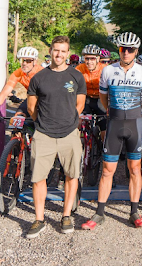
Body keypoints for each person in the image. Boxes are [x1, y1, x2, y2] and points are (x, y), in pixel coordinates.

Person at [82, 32, 142, 230]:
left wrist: (138, 115)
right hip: (114, 123)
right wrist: (113, 113)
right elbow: (103, 99)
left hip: (134, 125)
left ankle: (134, 212)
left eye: (130, 49)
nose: (126, 52)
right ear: (119, 50)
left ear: (136, 51)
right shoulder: (108, 71)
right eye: (123, 49)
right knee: (107, 170)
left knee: (135, 169)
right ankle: (99, 213)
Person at [25, 36, 86, 239]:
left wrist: (68, 122)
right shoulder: (39, 78)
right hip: (43, 134)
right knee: (38, 178)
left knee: (71, 175)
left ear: (68, 53)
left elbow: (80, 105)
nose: (59, 54)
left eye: (63, 51)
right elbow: (32, 107)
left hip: (69, 133)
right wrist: (43, 123)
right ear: (50, 51)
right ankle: (39, 219)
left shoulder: (76, 77)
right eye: (56, 50)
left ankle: (66, 215)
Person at [0, 47, 41, 122]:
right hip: (31, 98)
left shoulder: (42, 73)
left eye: (28, 61)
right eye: (22, 60)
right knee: (18, 117)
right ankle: (17, 133)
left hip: (45, 99)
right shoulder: (18, 73)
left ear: (35, 61)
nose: (24, 63)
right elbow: (4, 93)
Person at [75, 44, 107, 136]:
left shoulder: (105, 69)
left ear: (98, 58)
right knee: (78, 122)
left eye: (92, 58)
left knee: (104, 128)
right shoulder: (79, 69)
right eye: (87, 58)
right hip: (86, 98)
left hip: (101, 99)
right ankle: (82, 145)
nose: (89, 62)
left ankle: (102, 149)